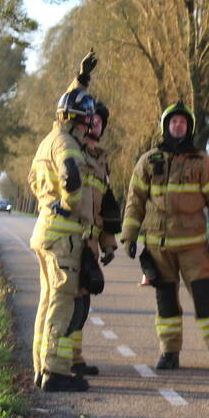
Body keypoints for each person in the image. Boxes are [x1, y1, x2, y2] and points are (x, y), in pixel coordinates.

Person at [120, 102, 209, 371]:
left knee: (205, 300)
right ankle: (169, 352)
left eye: (182, 122)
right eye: (173, 122)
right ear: (165, 126)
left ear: (189, 128)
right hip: (159, 247)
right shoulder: (149, 160)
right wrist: (129, 236)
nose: (178, 126)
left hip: (193, 246)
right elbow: (135, 200)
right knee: (166, 303)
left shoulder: (203, 161)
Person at [28, 50, 97, 393]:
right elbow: (71, 176)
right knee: (61, 303)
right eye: (86, 121)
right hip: (64, 236)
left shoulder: (48, 141)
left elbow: (32, 181)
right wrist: (71, 207)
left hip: (45, 230)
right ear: (75, 121)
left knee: (47, 301)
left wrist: (81, 80)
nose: (90, 127)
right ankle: (55, 373)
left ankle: (41, 368)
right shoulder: (67, 143)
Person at [64, 100, 121, 378]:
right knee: (70, 303)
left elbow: (105, 206)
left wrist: (108, 243)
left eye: (99, 121)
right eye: (90, 119)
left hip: (91, 244)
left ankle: (74, 358)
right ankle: (62, 361)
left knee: (83, 303)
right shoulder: (71, 150)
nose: (94, 124)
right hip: (69, 239)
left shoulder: (102, 159)